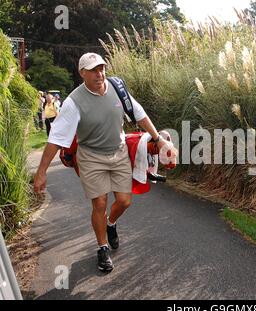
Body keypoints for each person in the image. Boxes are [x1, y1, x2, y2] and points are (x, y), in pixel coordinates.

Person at [33, 52, 175, 272]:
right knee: (99, 203)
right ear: (82, 73)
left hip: (118, 153)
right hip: (90, 157)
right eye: (93, 70)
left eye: (102, 68)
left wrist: (159, 141)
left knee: (125, 201)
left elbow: (140, 115)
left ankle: (110, 223)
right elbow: (56, 139)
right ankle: (102, 248)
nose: (99, 74)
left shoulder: (118, 89)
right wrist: (42, 171)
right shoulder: (73, 102)